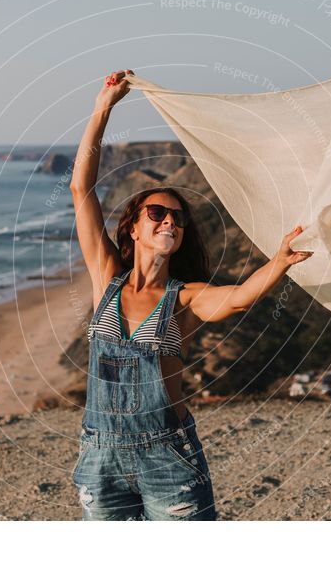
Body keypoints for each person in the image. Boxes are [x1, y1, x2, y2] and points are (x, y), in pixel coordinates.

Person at [69, 69, 313, 521]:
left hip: (167, 456)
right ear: (134, 228)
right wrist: (102, 108)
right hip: (99, 455)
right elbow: (81, 189)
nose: (169, 222)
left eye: (177, 219)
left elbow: (239, 298)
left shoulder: (185, 298)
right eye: (157, 213)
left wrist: (278, 262)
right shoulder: (108, 279)